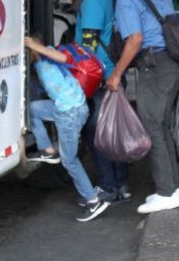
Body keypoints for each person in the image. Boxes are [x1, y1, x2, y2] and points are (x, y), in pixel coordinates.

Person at [94, 0, 179, 214]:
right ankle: (174, 187)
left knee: (153, 127)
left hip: (153, 66)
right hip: (172, 62)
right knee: (162, 125)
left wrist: (116, 74)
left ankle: (166, 192)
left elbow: (135, 39)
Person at [24, 36, 110, 221]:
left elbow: (63, 58)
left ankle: (93, 201)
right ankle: (48, 151)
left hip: (70, 113)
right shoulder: (40, 60)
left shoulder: (48, 54)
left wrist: (33, 45)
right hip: (63, 108)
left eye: (27, 52)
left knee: (69, 160)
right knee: (32, 110)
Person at [76, 0, 131, 204]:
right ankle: (121, 183)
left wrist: (84, 76)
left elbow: (88, 41)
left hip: (97, 75)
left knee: (96, 134)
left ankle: (108, 185)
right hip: (112, 71)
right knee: (113, 131)